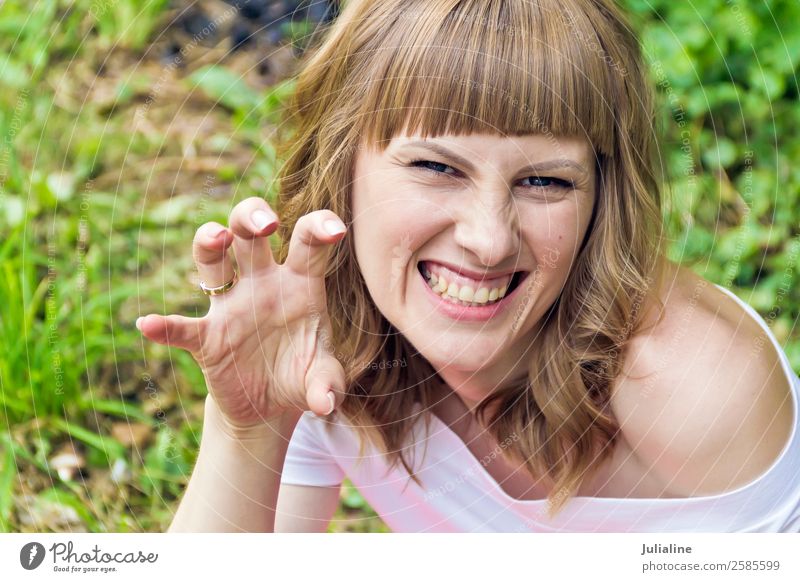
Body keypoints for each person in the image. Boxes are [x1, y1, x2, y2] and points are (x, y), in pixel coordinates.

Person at [138, 0, 800, 532]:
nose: (488, 240)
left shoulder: (700, 395)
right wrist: (247, 429)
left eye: (545, 182)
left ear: (602, 201)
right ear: (340, 167)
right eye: (436, 167)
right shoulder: (317, 332)